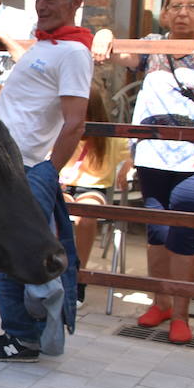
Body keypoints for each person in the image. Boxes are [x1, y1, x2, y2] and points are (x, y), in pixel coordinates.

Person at [92, 0, 194, 344]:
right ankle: (162, 301)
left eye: (192, 7)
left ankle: (182, 314)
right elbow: (122, 55)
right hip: (154, 155)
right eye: (175, 6)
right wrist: (106, 34)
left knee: (183, 233)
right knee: (156, 232)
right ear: (165, 11)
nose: (183, 13)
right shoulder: (155, 44)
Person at [0, 0, 92, 363]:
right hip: (5, 165)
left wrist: (46, 172)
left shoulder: (74, 52)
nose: (41, 5)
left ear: (76, 3)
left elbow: (75, 124)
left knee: (5, 257)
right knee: (0, 254)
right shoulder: (47, 44)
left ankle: (24, 338)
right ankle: (25, 334)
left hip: (22, 169)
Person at [58, 87, 128, 307]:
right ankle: (58, 272)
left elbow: (131, 152)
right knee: (56, 213)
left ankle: (80, 276)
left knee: (85, 216)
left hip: (93, 188)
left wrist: (127, 166)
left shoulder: (108, 138)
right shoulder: (60, 131)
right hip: (63, 187)